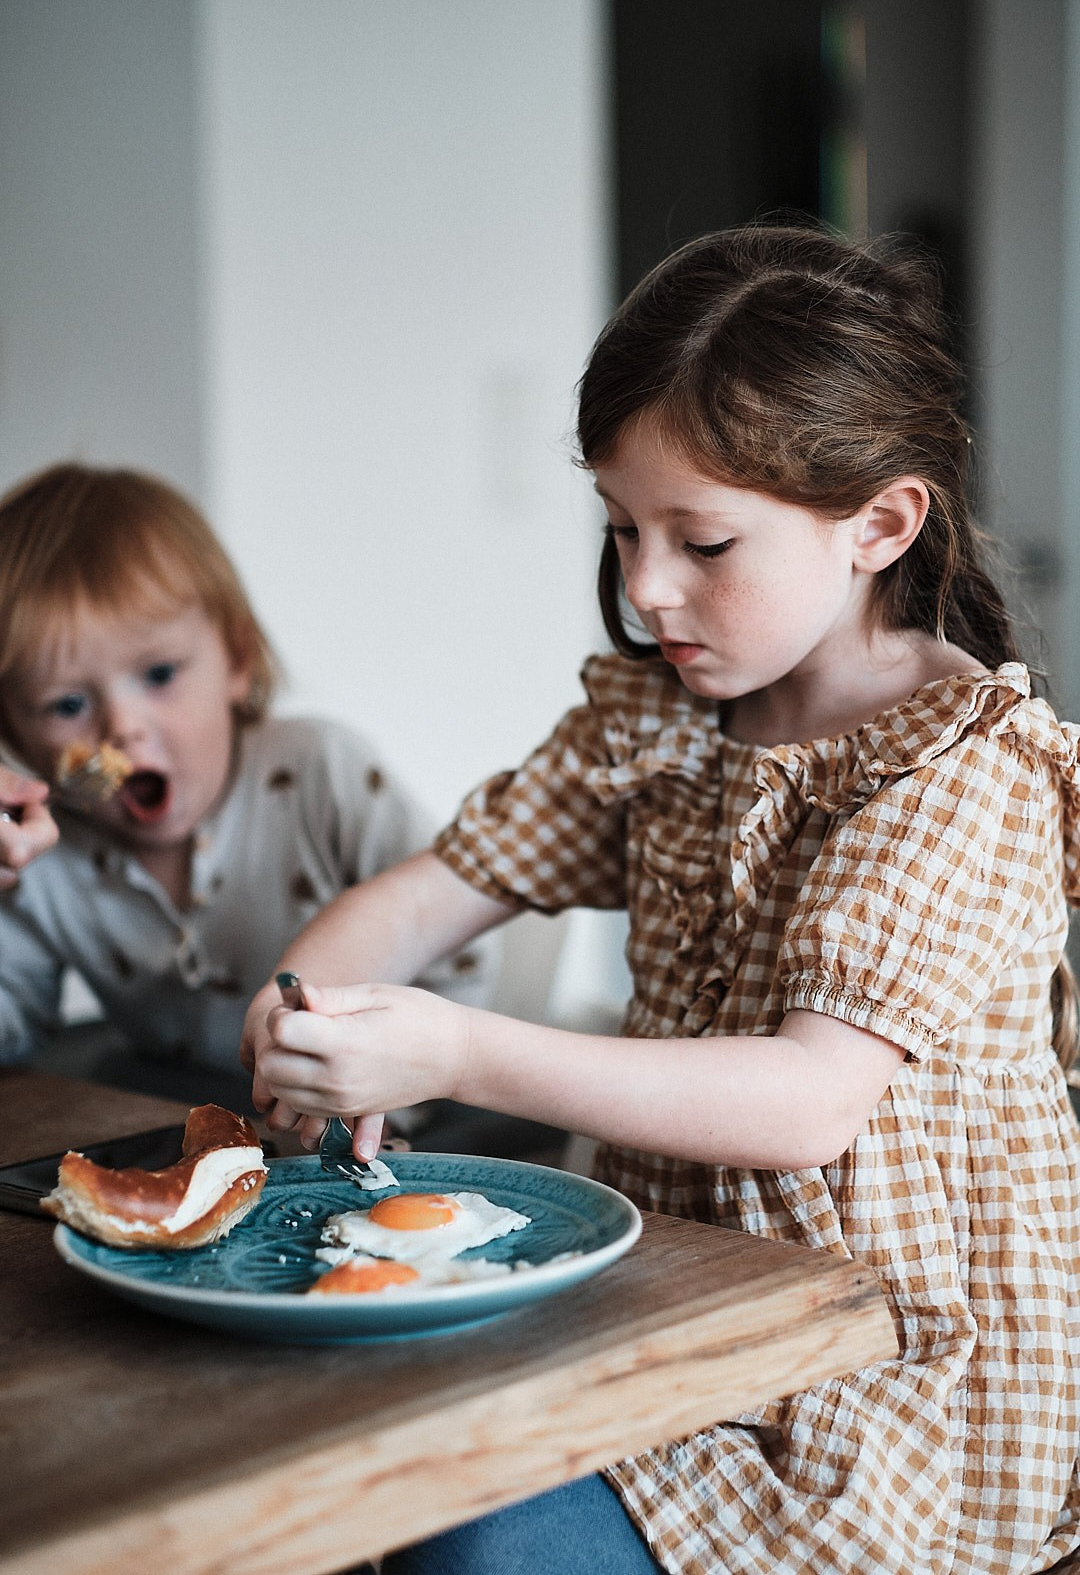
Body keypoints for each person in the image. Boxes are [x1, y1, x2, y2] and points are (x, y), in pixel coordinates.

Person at [241, 223, 1080, 1574]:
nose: (643, 586)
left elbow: (808, 1103)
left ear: (879, 525)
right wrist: (301, 1008)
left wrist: (453, 1046)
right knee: (356, 1469)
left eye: (701, 540)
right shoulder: (659, 726)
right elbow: (434, 892)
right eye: (624, 530)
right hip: (666, 1316)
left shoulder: (964, 770)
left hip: (885, 1379)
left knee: (471, 1543)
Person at [0, 462, 496, 1118]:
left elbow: (454, 954)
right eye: (67, 705)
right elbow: (13, 1030)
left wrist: (386, 1090)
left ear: (236, 659)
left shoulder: (320, 773)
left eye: (159, 673)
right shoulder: (40, 855)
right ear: (17, 735)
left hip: (389, 1118)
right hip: (182, 1118)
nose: (122, 729)